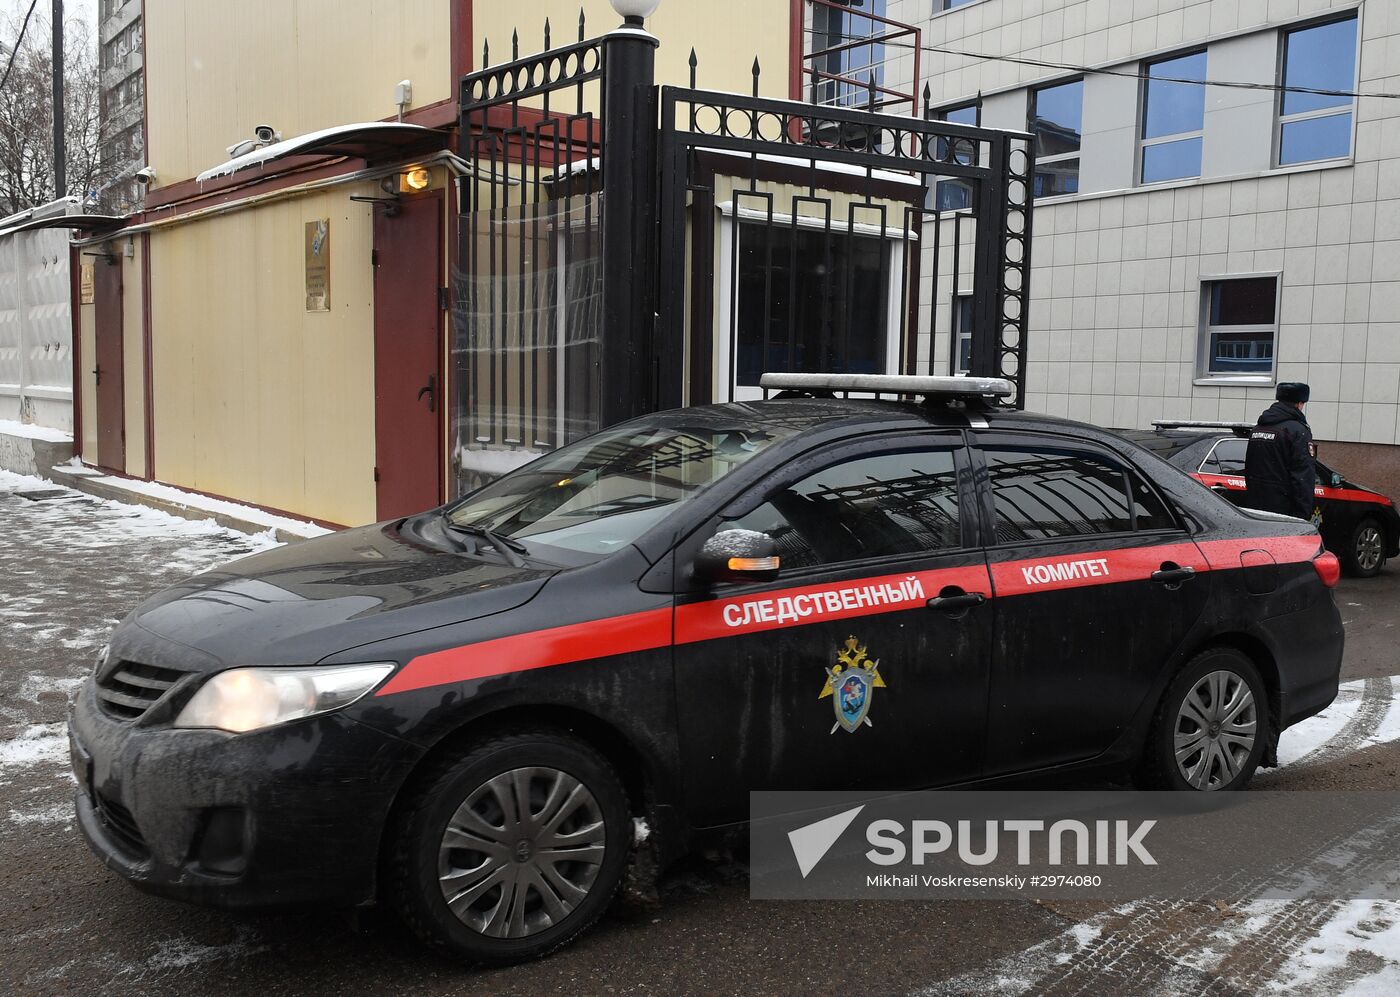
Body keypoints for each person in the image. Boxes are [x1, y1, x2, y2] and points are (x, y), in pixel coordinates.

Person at [1243, 382, 1315, 519]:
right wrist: (1302, 514)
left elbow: (1249, 468)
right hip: (1284, 511)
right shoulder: (1297, 431)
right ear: (1299, 403)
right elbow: (1303, 476)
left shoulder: (1258, 428)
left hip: (1255, 507)